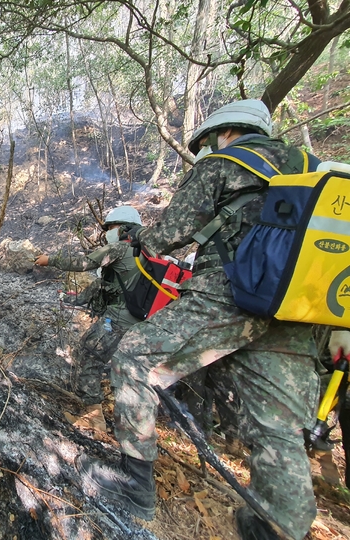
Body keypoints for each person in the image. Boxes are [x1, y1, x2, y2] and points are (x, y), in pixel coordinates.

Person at [75, 99, 332, 540]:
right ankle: (278, 527)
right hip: (298, 311)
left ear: (223, 133)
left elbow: (166, 236)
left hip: (230, 298)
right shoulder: (313, 168)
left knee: (134, 358)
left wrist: (143, 239)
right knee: (279, 426)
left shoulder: (224, 163)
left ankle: (135, 491)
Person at [34, 206, 145, 405]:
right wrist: (68, 298)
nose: (108, 232)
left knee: (88, 354)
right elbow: (101, 286)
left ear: (125, 228)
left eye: (112, 227)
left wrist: (49, 260)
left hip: (120, 317)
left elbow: (83, 263)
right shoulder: (149, 251)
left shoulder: (119, 248)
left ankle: (91, 412)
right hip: (142, 319)